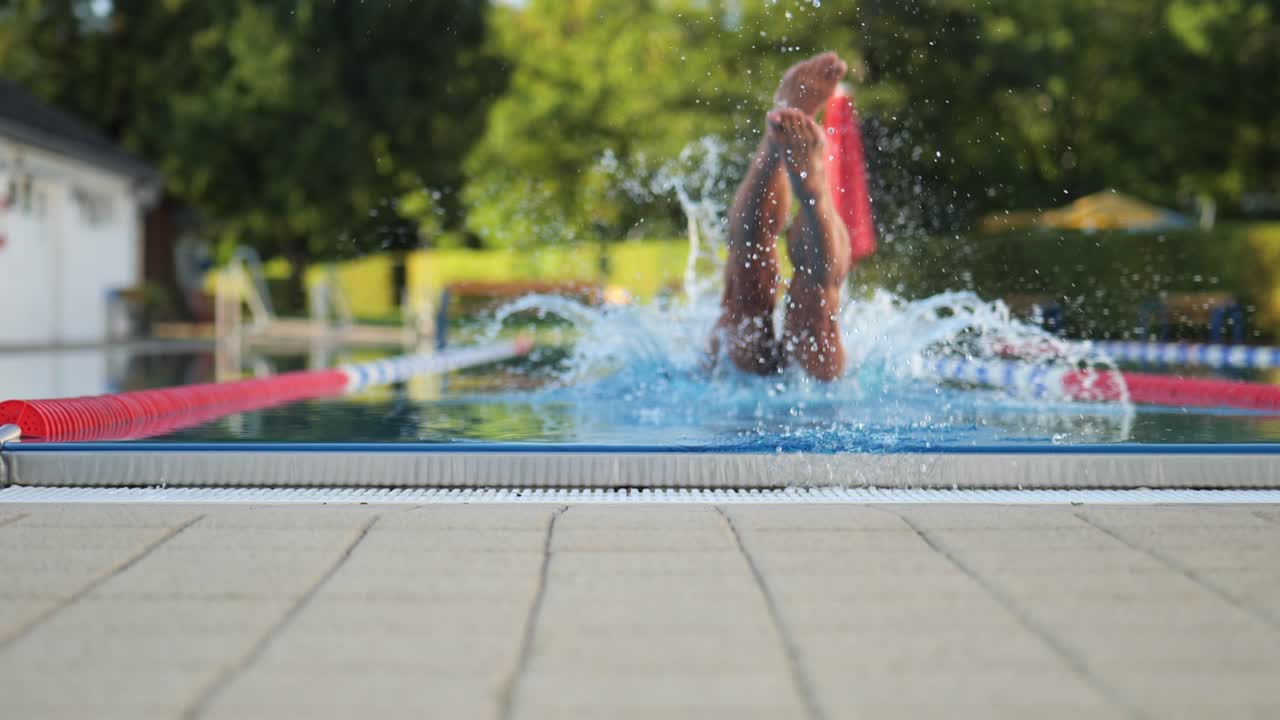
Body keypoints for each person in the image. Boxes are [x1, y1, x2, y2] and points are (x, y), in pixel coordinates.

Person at [710, 52, 852, 381]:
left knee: (744, 300)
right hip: (817, 406)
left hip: (730, 397)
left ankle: (774, 148)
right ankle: (813, 194)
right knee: (815, 324)